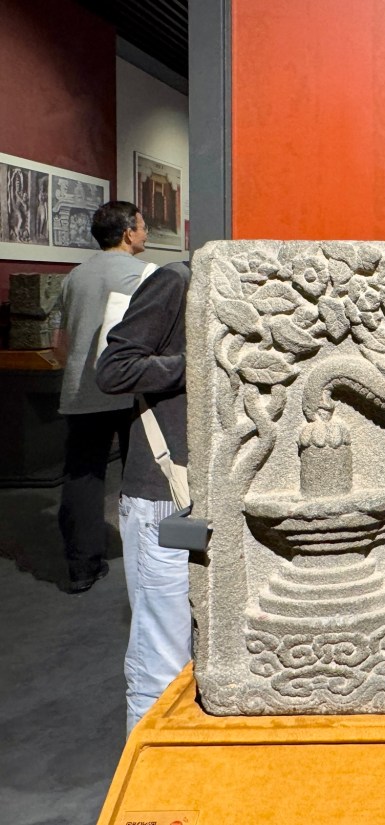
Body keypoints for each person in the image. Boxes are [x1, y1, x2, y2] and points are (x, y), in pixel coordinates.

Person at [96, 261, 192, 732]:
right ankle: (152, 768)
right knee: (161, 664)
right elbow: (113, 370)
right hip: (164, 497)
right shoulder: (178, 281)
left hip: (216, 499)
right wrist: (199, 362)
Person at [56, 201, 150, 593]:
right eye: (142, 226)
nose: (146, 233)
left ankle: (82, 567)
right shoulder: (146, 274)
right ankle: (146, 557)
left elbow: (61, 343)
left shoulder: (75, 277)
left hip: (81, 389)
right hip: (130, 388)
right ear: (128, 233)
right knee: (141, 475)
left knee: (83, 476)